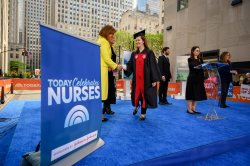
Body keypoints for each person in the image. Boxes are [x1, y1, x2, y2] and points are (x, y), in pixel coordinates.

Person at [123, 30, 161, 120]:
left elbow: (153, 66)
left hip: (146, 80)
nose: (137, 42)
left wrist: (154, 80)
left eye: (139, 40)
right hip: (137, 80)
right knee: (136, 95)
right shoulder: (134, 54)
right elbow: (130, 65)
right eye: (136, 40)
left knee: (145, 96)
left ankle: (143, 113)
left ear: (143, 41)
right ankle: (137, 106)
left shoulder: (149, 52)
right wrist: (123, 67)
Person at [97, 25, 122, 122]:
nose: (113, 37)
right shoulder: (104, 42)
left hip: (108, 72)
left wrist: (114, 69)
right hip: (104, 71)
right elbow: (106, 58)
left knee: (104, 93)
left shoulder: (103, 42)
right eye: (112, 34)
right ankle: (100, 115)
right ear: (107, 32)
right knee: (102, 94)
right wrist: (116, 66)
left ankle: (104, 112)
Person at [185, 46, 207, 114]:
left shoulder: (200, 59)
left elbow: (203, 67)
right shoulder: (190, 59)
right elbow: (193, 66)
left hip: (199, 79)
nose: (198, 52)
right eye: (197, 50)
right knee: (191, 94)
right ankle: (189, 109)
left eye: (199, 51)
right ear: (193, 51)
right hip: (192, 79)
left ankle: (193, 108)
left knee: (196, 94)